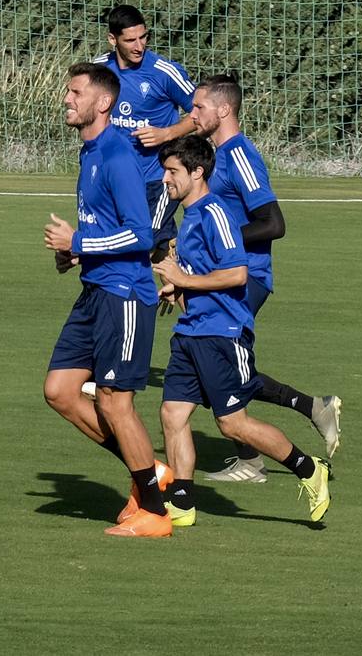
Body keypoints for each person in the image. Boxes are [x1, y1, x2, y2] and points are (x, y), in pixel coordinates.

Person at [153, 135, 332, 525]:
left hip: (222, 332)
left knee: (232, 423)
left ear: (197, 172)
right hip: (191, 331)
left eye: (172, 171)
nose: (165, 179)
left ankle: (308, 468)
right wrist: (177, 287)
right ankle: (182, 503)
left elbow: (237, 273)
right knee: (172, 413)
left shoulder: (216, 212)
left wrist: (182, 276)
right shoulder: (191, 216)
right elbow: (203, 274)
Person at [189, 75, 341, 482]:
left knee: (214, 365)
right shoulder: (218, 154)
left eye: (199, 107)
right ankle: (307, 411)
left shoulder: (238, 155)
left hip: (246, 278)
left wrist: (220, 241)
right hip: (226, 277)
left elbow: (273, 222)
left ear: (223, 110)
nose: (192, 115)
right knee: (213, 367)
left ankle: (264, 456)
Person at [43, 62, 171, 537]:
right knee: (59, 390)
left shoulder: (116, 154)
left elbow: (142, 236)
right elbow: (104, 227)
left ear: (103, 102)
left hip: (125, 294)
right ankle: (147, 471)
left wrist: (78, 244)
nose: (67, 99)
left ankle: (155, 513)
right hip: (95, 288)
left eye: (75, 92)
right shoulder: (89, 152)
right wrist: (74, 255)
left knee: (117, 401)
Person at [93, 5, 197, 260]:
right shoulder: (97, 70)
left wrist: (168, 133)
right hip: (117, 178)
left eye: (143, 37)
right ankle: (171, 259)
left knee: (137, 244)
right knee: (152, 250)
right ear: (112, 39)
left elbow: (203, 114)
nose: (139, 46)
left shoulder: (164, 72)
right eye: (130, 40)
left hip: (157, 179)